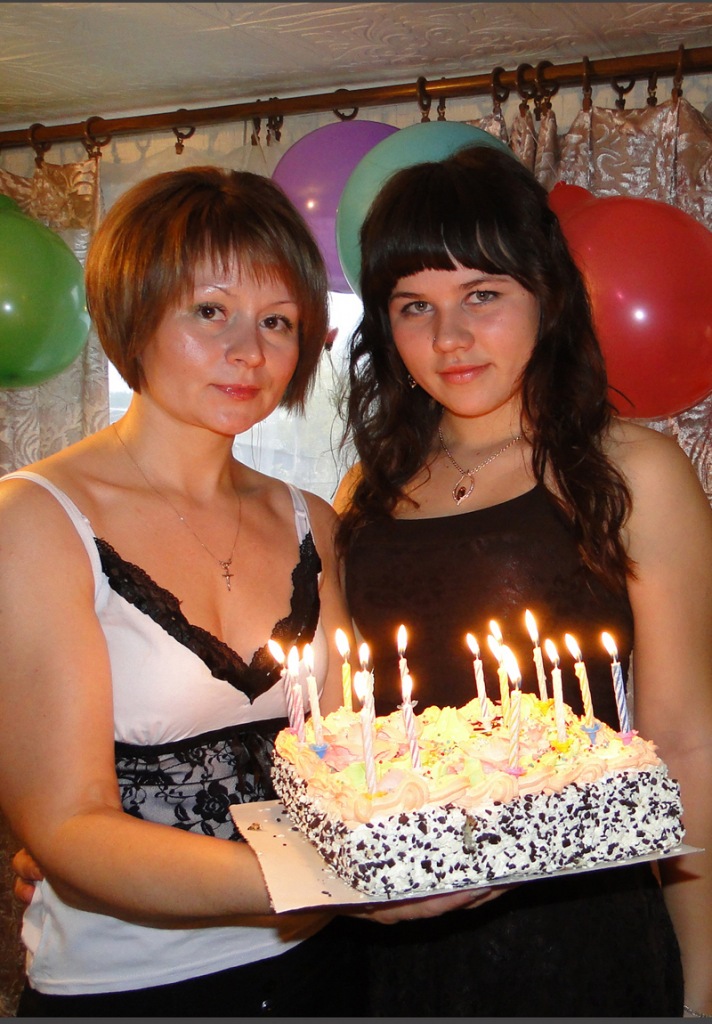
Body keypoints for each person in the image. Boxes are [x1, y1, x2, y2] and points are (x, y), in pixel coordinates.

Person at [334, 144, 712, 1017]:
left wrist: (700, 976)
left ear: (548, 293)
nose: (449, 338)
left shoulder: (633, 471)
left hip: (582, 932)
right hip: (397, 930)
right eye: (414, 306)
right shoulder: (366, 488)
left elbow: (686, 743)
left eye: (483, 295)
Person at [0, 166, 368, 1017]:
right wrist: (332, 878)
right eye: (210, 311)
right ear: (135, 314)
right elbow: (67, 826)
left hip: (327, 967)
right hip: (132, 987)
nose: (251, 353)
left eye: (277, 321)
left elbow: (351, 758)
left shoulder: (312, 520)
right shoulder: (36, 520)